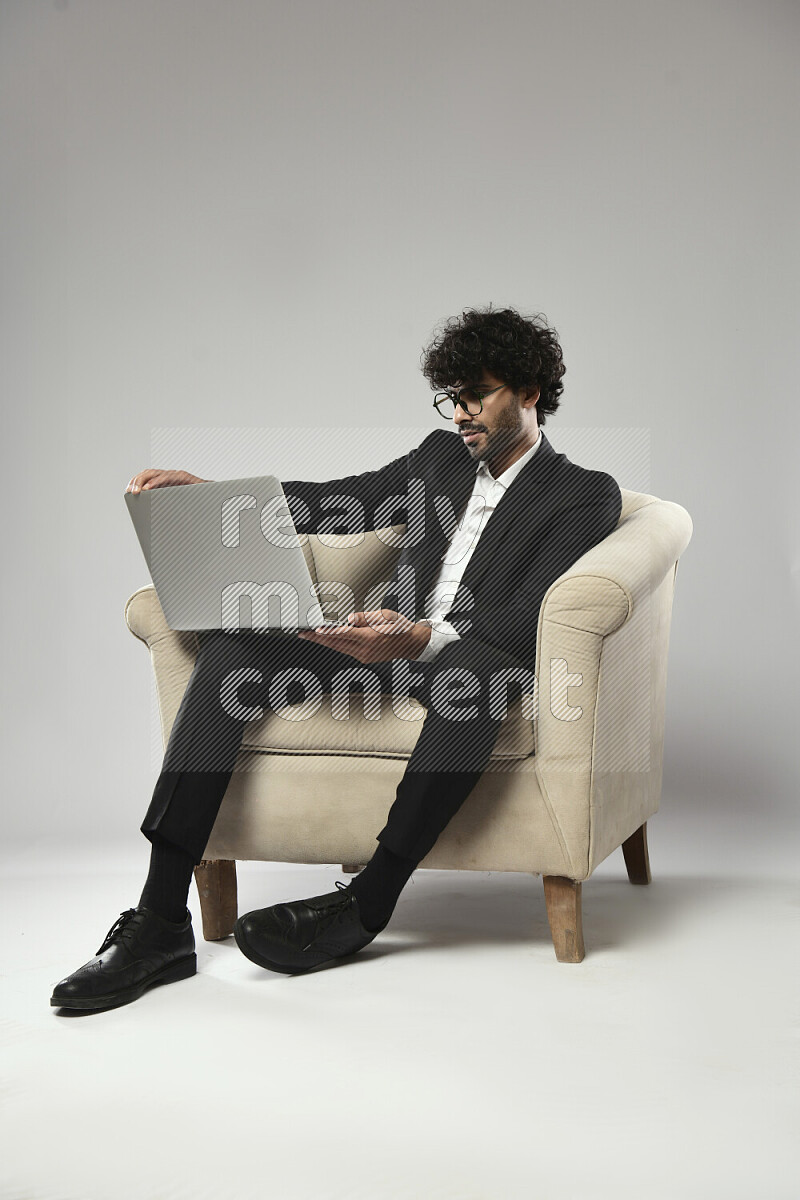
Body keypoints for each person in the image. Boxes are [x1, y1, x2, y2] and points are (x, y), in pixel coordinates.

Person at [50, 306, 622, 1011]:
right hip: (375, 644)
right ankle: (160, 918)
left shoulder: (582, 493)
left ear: (530, 392)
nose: (461, 413)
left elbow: (529, 613)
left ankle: (367, 902)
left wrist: (416, 636)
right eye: (452, 397)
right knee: (231, 650)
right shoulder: (440, 458)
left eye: (477, 395)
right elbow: (341, 502)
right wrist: (215, 498)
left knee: (470, 674)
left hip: (467, 658)